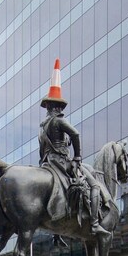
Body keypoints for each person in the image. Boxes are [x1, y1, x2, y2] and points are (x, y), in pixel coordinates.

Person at [38, 59, 110, 237]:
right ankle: (94, 223)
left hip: (47, 163)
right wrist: (77, 157)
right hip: (62, 161)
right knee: (94, 184)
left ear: (48, 107)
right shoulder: (59, 120)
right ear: (59, 107)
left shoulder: (43, 127)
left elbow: (41, 150)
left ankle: (57, 235)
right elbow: (75, 135)